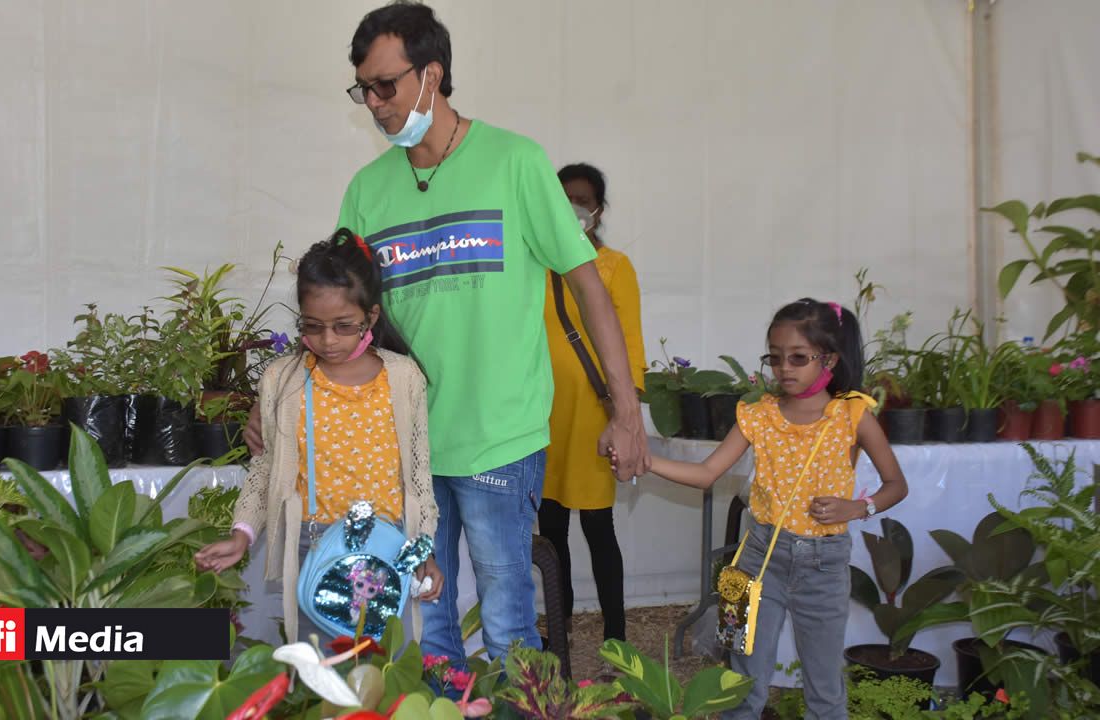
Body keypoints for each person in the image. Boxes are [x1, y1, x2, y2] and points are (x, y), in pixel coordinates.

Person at [245, 0, 650, 665]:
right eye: (362, 89)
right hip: (407, 444)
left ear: (431, 75)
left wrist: (626, 409)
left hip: (500, 437)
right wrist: (278, 402)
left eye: (386, 85)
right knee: (429, 622)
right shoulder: (367, 191)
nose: (374, 103)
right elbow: (340, 317)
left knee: (508, 619)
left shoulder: (514, 162)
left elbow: (589, 290)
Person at [618, 299, 908, 719]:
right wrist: (646, 461)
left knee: (824, 690)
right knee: (740, 685)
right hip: (758, 559)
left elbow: (896, 485)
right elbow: (706, 474)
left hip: (823, 566)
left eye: (798, 358)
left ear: (830, 359)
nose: (784, 368)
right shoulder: (758, 415)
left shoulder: (852, 415)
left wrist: (857, 507)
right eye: (774, 358)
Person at [196, 228, 443, 646]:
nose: (327, 340)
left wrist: (424, 553)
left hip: (389, 547)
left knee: (382, 673)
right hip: (313, 546)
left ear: (372, 317)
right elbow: (264, 470)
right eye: (313, 327)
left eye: (343, 326)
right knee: (321, 674)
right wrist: (243, 534)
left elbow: (418, 479)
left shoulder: (403, 378)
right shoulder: (283, 380)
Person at [539, 163, 645, 642]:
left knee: (599, 529)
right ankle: (559, 628)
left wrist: (629, 414)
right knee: (551, 529)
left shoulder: (615, 266)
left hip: (594, 419)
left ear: (598, 210)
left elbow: (631, 342)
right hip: (543, 416)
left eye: (582, 200)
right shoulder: (535, 264)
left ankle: (616, 635)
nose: (573, 208)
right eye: (563, 198)